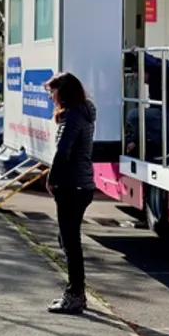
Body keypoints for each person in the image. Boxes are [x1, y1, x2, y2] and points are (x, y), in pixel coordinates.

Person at [43, 71, 97, 314]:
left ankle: (75, 295)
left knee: (70, 242)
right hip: (81, 185)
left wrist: (52, 180)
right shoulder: (82, 113)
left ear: (63, 92)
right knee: (67, 239)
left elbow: (63, 151)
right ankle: (76, 292)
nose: (51, 96)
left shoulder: (73, 116)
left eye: (53, 91)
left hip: (72, 186)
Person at [122, 50, 169, 156]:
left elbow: (161, 65)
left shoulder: (167, 73)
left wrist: (142, 55)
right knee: (145, 117)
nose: (135, 76)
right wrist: (136, 140)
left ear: (147, 69)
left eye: (137, 71)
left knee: (133, 115)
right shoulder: (155, 84)